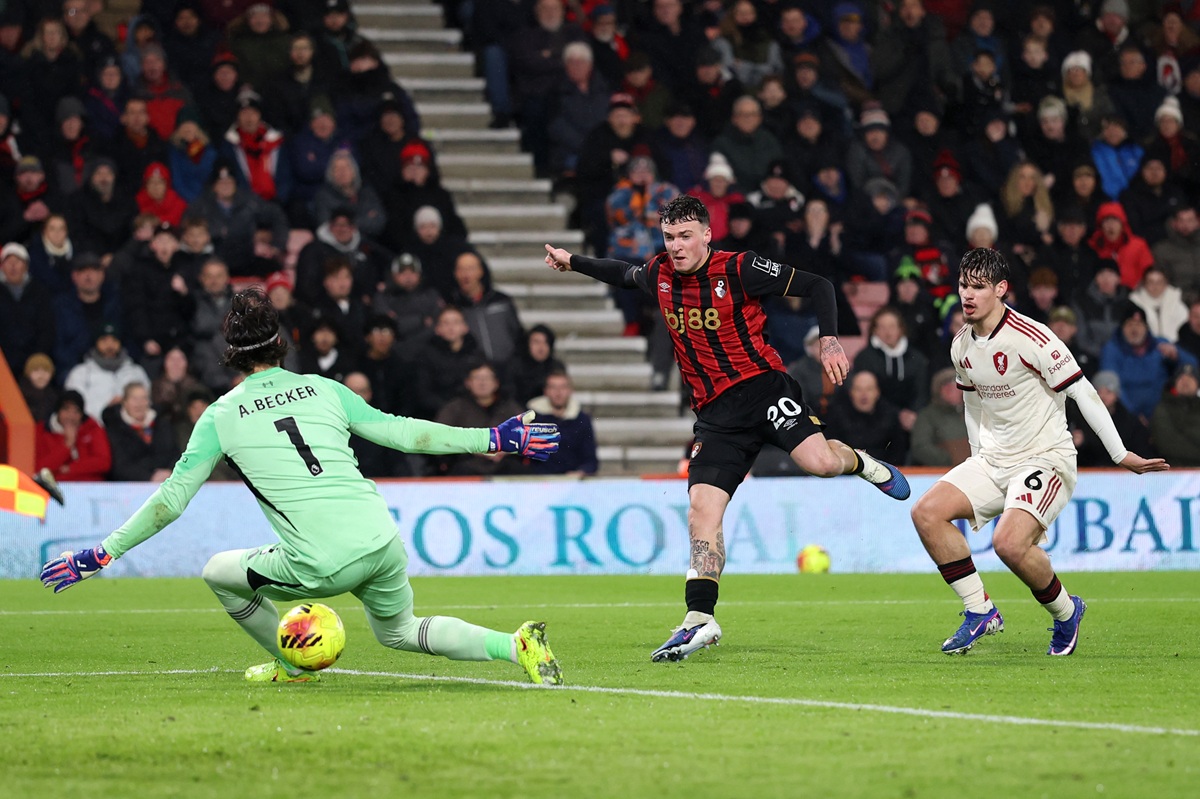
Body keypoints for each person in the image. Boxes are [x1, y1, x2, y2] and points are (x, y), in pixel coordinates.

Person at [40, 287, 564, 686]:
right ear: (281, 344)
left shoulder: (220, 415)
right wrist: (494, 436)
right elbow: (405, 432)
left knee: (218, 574)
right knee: (400, 632)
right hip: (380, 538)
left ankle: (294, 667)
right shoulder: (323, 389)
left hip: (320, 562)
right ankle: (515, 645)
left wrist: (101, 555)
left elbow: (171, 501)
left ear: (231, 354)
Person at [544, 194, 909, 663]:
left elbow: (819, 285)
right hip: (716, 417)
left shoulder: (740, 269)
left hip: (764, 389)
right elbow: (621, 272)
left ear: (707, 234)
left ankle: (863, 463)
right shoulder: (659, 273)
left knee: (819, 463)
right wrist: (572, 262)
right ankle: (700, 619)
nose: (676, 246)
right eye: (669, 237)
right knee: (701, 510)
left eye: (685, 236)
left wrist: (831, 341)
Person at [908, 248, 1167, 659]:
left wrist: (1119, 454)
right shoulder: (961, 345)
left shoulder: (1033, 337)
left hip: (1045, 457)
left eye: (978, 287)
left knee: (1009, 544)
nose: (967, 295)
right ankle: (980, 610)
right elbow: (973, 404)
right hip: (995, 459)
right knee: (926, 512)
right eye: (963, 286)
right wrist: (977, 454)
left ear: (1001, 289)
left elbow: (1083, 392)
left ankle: (1066, 612)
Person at [527, 369, 598, 476]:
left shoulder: (582, 420)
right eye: (553, 387)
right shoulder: (531, 419)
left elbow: (590, 460)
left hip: (572, 484)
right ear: (545, 391)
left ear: (570, 390)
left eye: (563, 387)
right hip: (539, 483)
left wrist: (580, 472)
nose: (558, 392)